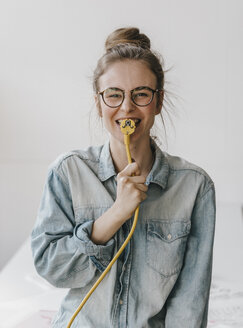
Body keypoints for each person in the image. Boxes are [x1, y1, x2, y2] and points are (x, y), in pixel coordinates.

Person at [31, 27, 216, 327]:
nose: (126, 107)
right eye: (114, 95)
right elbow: (51, 267)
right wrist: (115, 214)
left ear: (157, 101)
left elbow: (190, 304)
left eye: (141, 94)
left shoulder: (195, 187)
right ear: (98, 103)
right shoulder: (68, 172)